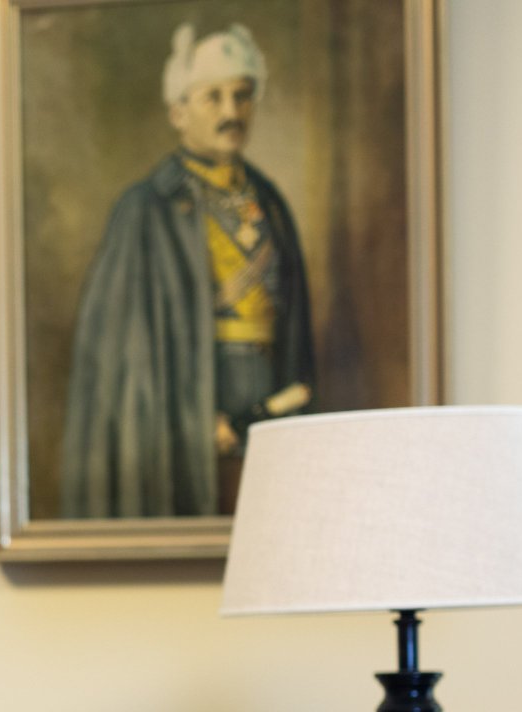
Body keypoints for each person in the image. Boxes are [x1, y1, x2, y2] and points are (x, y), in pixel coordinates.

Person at [56, 22, 315, 520]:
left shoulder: (271, 203)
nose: (231, 112)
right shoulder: (145, 209)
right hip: (185, 402)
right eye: (212, 98)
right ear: (178, 112)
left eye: (242, 96)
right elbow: (128, 357)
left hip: (267, 399)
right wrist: (194, 419)